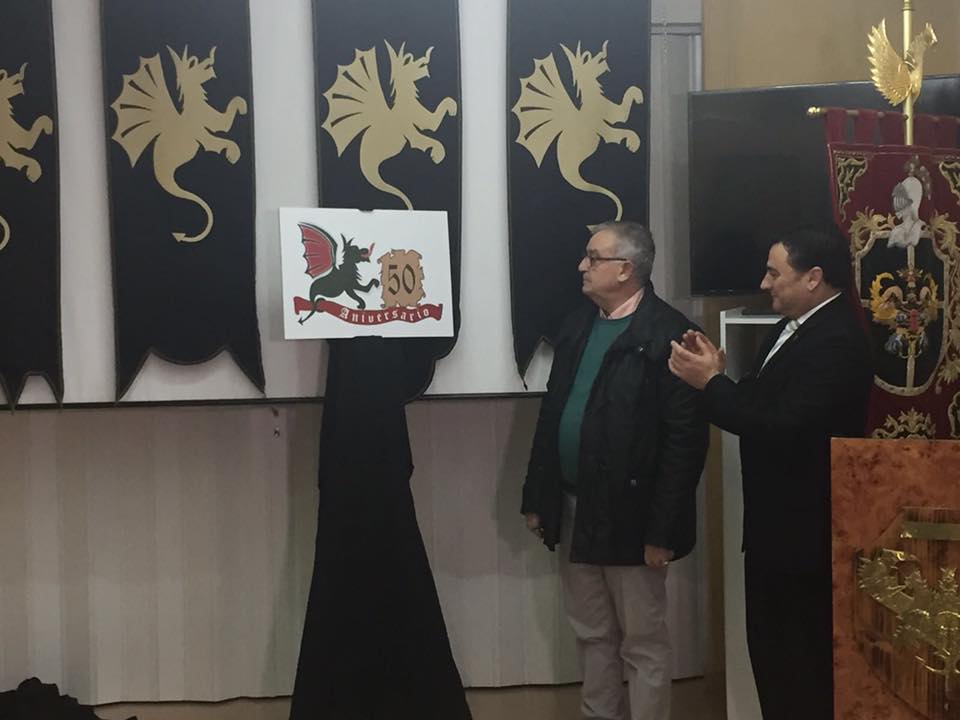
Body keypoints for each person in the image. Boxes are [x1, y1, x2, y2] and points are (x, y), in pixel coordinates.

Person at [668, 225, 873, 720]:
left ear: (813, 278)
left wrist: (712, 384)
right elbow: (759, 401)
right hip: (773, 530)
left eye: (774, 273)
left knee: (799, 665)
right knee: (772, 659)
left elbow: (781, 425)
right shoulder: (790, 327)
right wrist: (717, 376)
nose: (764, 284)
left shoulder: (837, 340)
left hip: (806, 537)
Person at [522, 221, 708, 720]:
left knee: (643, 642)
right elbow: (552, 415)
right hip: (574, 503)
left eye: (593, 257)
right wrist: (538, 496)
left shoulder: (671, 335)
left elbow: (685, 445)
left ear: (625, 269)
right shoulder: (578, 325)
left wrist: (663, 531)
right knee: (591, 632)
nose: (582, 266)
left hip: (634, 514)